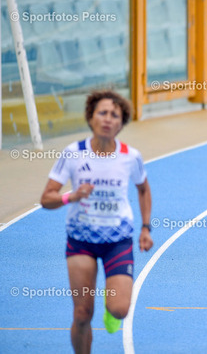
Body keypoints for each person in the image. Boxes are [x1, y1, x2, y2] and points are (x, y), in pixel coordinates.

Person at [40, 90, 153, 354]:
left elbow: (143, 189)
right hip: (81, 241)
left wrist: (145, 228)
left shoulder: (130, 156)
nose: (107, 119)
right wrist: (72, 196)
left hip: (117, 240)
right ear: (91, 117)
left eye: (115, 115)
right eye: (102, 113)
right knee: (82, 313)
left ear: (121, 123)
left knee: (120, 309)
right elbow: (46, 198)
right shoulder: (74, 153)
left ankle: (110, 302)